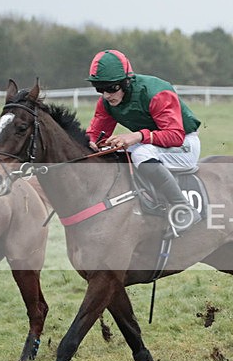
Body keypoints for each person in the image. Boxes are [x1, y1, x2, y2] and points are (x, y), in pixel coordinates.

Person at [85, 49, 202, 231]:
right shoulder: (106, 103)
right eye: (100, 89)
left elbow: (175, 136)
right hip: (154, 145)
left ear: (126, 82)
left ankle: (184, 209)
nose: (107, 95)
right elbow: (95, 136)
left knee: (141, 153)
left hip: (185, 144)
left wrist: (137, 136)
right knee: (111, 153)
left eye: (112, 87)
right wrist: (92, 144)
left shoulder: (156, 92)